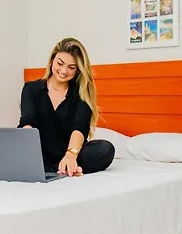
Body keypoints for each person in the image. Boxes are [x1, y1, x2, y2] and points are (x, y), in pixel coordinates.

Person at [18, 38, 115, 177]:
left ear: (78, 70)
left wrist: (71, 155)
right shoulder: (31, 89)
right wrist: (28, 150)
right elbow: (27, 122)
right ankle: (63, 168)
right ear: (52, 60)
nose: (64, 71)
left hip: (72, 152)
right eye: (60, 63)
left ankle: (65, 166)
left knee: (105, 149)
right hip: (39, 153)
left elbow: (80, 127)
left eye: (71, 67)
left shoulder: (81, 94)